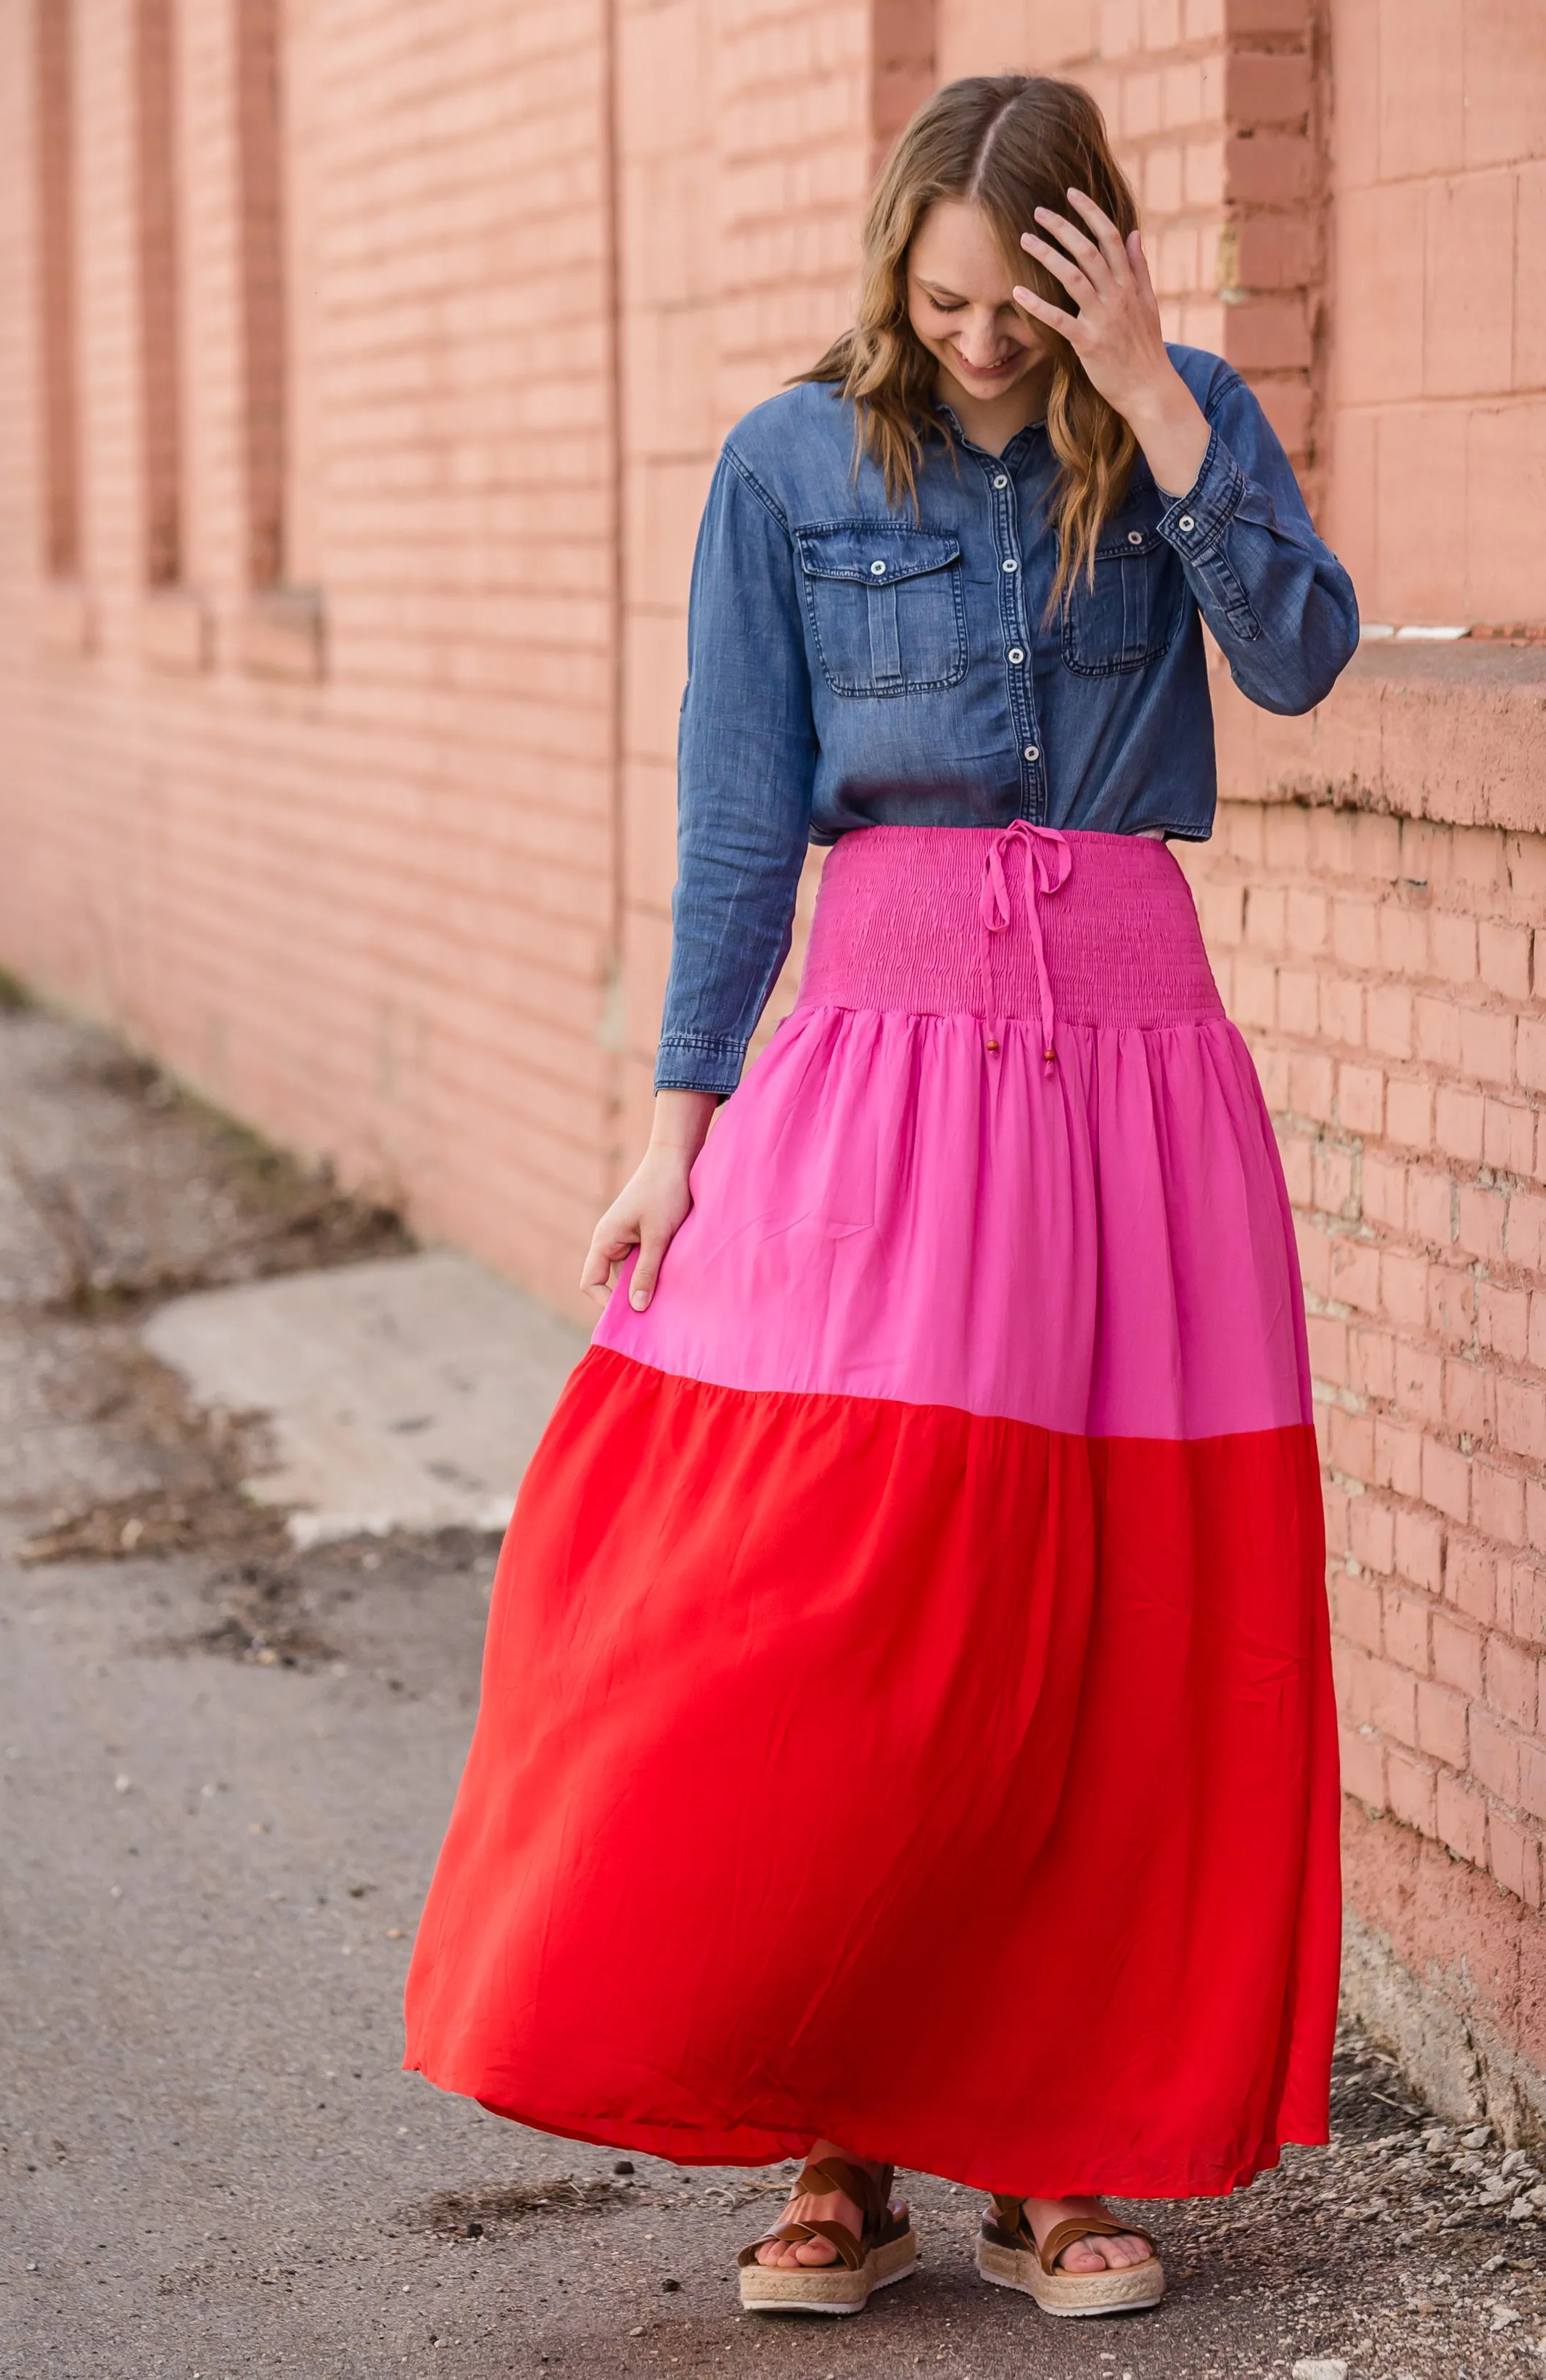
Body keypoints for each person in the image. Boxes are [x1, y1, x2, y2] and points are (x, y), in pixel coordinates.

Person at [405, 73, 1356, 2325]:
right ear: (891, 269)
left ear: (1094, 266)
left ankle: (1057, 2152)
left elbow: (1303, 655)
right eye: (943, 305)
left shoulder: (1172, 415)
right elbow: (741, 811)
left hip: (1131, 1070)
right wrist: (674, 1131)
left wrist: (1159, 395)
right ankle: (835, 2140)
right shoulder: (787, 462)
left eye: (1025, 308)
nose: (982, 347)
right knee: (847, 1593)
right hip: (889, 1065)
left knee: (1112, 1612)